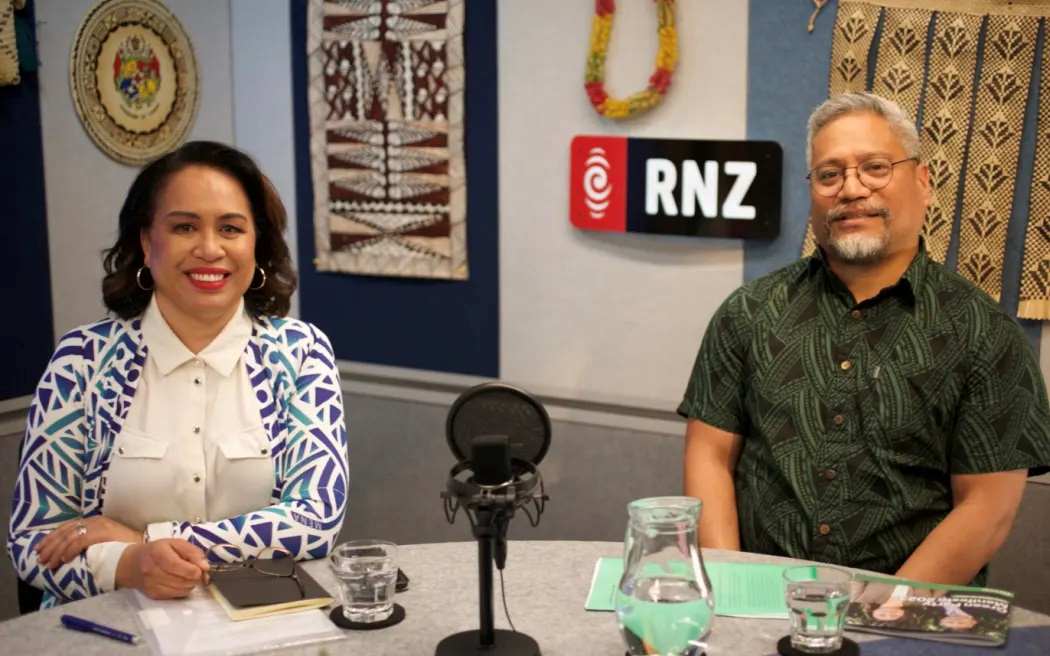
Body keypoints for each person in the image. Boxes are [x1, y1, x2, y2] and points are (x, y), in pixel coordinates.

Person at [679, 92, 1050, 585]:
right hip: (761, 608)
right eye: (829, 174)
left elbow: (987, 510)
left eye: (875, 168)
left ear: (924, 182)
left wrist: (881, 611)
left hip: (907, 619)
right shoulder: (749, 312)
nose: (851, 189)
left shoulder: (984, 333)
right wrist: (730, 587)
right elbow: (710, 457)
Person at [7, 141, 349, 608]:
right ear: (147, 242)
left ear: (256, 244)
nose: (210, 249)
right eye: (185, 226)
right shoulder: (81, 361)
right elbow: (32, 543)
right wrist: (130, 565)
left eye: (231, 228)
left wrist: (144, 538)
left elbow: (316, 520)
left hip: (264, 623)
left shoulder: (302, 352)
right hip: (110, 630)